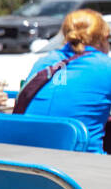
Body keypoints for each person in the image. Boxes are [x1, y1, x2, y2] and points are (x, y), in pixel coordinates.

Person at [16, 9, 111, 152]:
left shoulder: (44, 61)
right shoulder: (105, 66)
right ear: (103, 38)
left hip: (29, 161)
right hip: (83, 165)